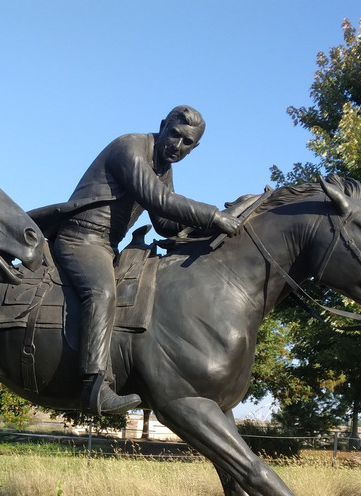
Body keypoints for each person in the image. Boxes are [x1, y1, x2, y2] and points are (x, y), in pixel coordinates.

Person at [48, 106, 240, 415]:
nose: (177, 146)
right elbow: (158, 200)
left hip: (107, 246)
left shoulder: (164, 167)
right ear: (163, 125)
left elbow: (164, 222)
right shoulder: (130, 147)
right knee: (102, 292)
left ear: (195, 146)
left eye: (187, 142)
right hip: (80, 239)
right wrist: (212, 215)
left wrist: (211, 223)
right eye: (174, 135)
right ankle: (94, 385)